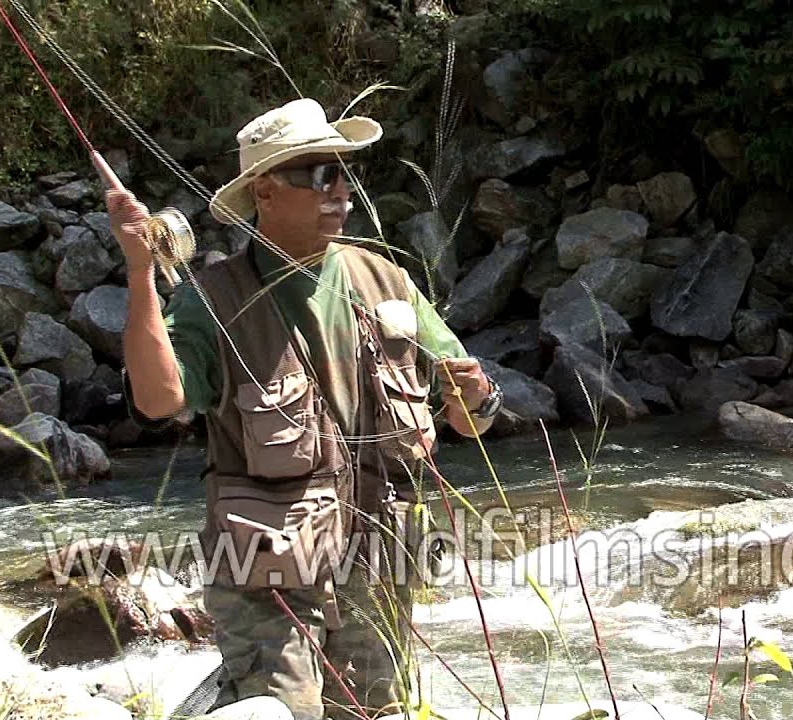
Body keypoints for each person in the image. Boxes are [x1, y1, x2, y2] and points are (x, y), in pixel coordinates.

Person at [107, 98, 502, 719]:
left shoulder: (387, 280)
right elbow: (159, 400)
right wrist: (139, 271)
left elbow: (467, 415)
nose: (340, 190)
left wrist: (475, 396)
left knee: (379, 713)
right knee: (280, 713)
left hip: (377, 561)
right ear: (265, 191)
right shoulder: (214, 298)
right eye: (319, 174)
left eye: (344, 173)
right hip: (267, 577)